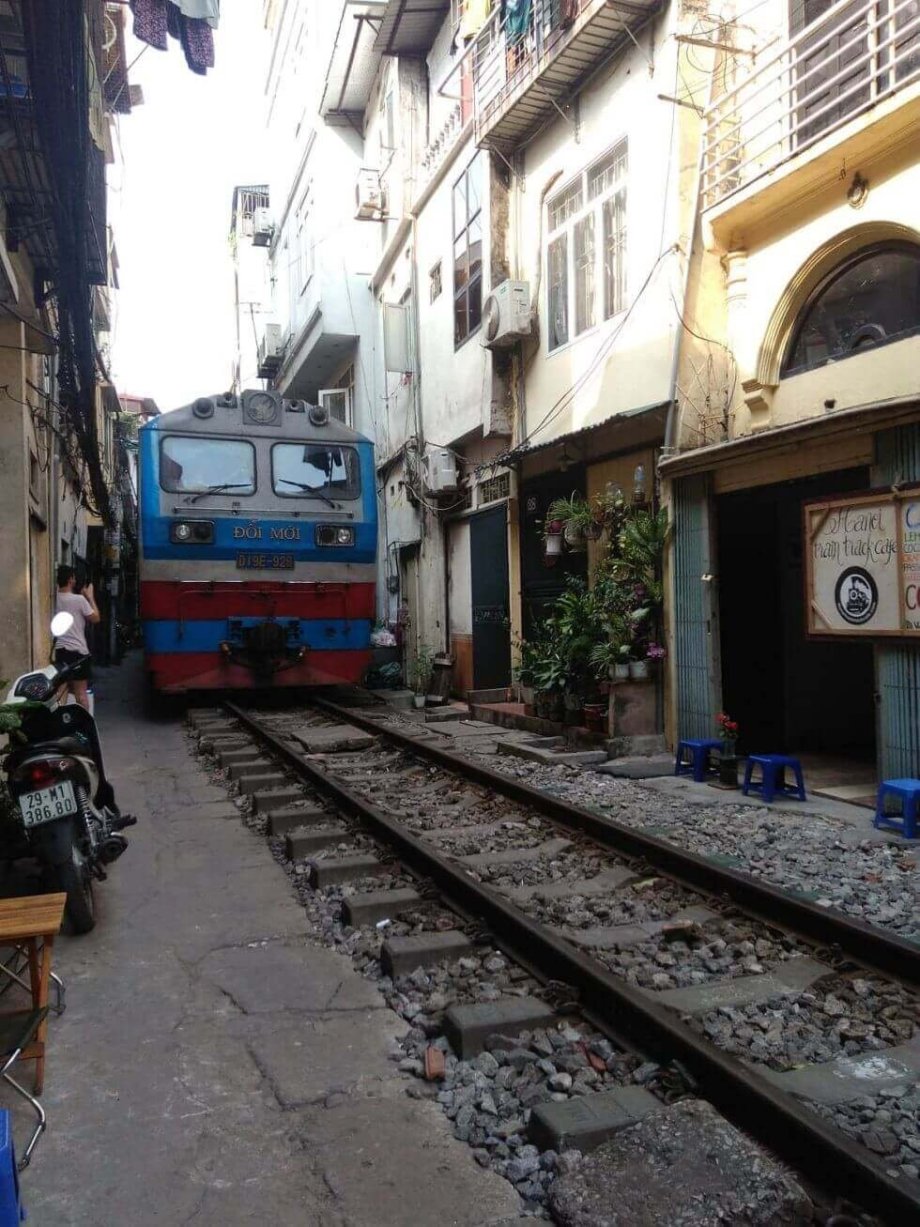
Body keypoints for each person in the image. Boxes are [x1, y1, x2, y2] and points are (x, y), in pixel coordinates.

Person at [54, 566, 101, 711]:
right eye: (74, 578)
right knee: (81, 694)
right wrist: (90, 597)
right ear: (70, 580)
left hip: (60, 651)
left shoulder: (54, 598)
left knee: (60, 693)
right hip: (78, 653)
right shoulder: (79, 600)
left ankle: (59, 722)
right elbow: (95, 618)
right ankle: (84, 723)